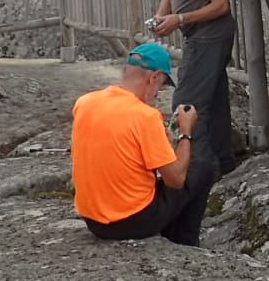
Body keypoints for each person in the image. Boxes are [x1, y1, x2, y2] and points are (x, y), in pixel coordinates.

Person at [71, 43, 216, 246]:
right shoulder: (146, 116)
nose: (157, 94)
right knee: (203, 167)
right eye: (161, 85)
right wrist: (186, 132)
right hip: (132, 221)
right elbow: (176, 181)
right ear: (154, 77)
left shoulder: (85, 102)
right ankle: (185, 241)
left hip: (93, 220)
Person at [148, 0, 237, 174]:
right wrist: (161, 16)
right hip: (197, 35)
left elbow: (221, 5)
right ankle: (223, 163)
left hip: (210, 36)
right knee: (214, 101)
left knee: (187, 102)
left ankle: (198, 169)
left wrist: (180, 18)